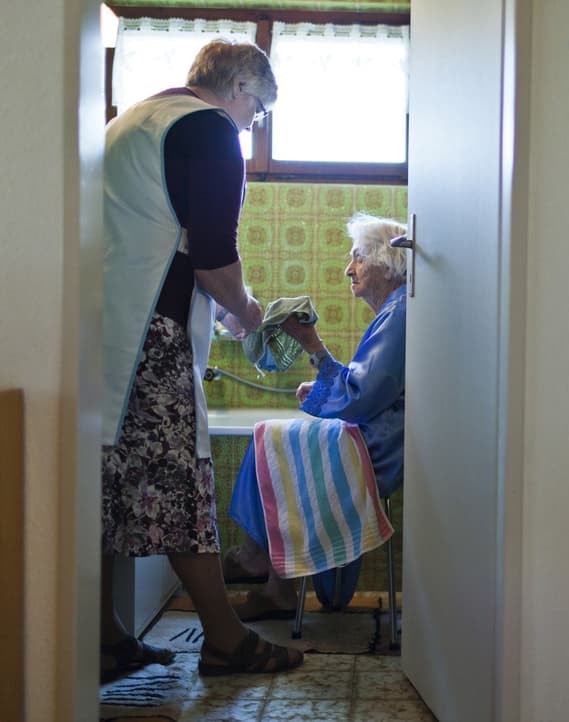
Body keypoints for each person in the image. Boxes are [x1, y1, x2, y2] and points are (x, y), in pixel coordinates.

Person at [100, 38, 303, 679]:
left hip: (105, 330)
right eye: (260, 109)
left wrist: (216, 299)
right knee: (180, 483)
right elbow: (214, 256)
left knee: (110, 484)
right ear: (241, 86)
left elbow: (162, 235)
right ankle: (225, 639)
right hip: (149, 336)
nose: (253, 123)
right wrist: (247, 313)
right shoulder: (209, 128)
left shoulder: (134, 119)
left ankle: (102, 637)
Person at [224, 213, 407, 618]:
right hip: (378, 439)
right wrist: (323, 377)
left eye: (357, 257)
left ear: (387, 262)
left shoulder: (400, 314)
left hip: (379, 450)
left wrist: (313, 345)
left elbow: (360, 397)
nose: (348, 268)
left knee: (269, 438)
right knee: (274, 439)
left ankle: (259, 562)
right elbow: (366, 388)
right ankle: (275, 583)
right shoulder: (397, 312)